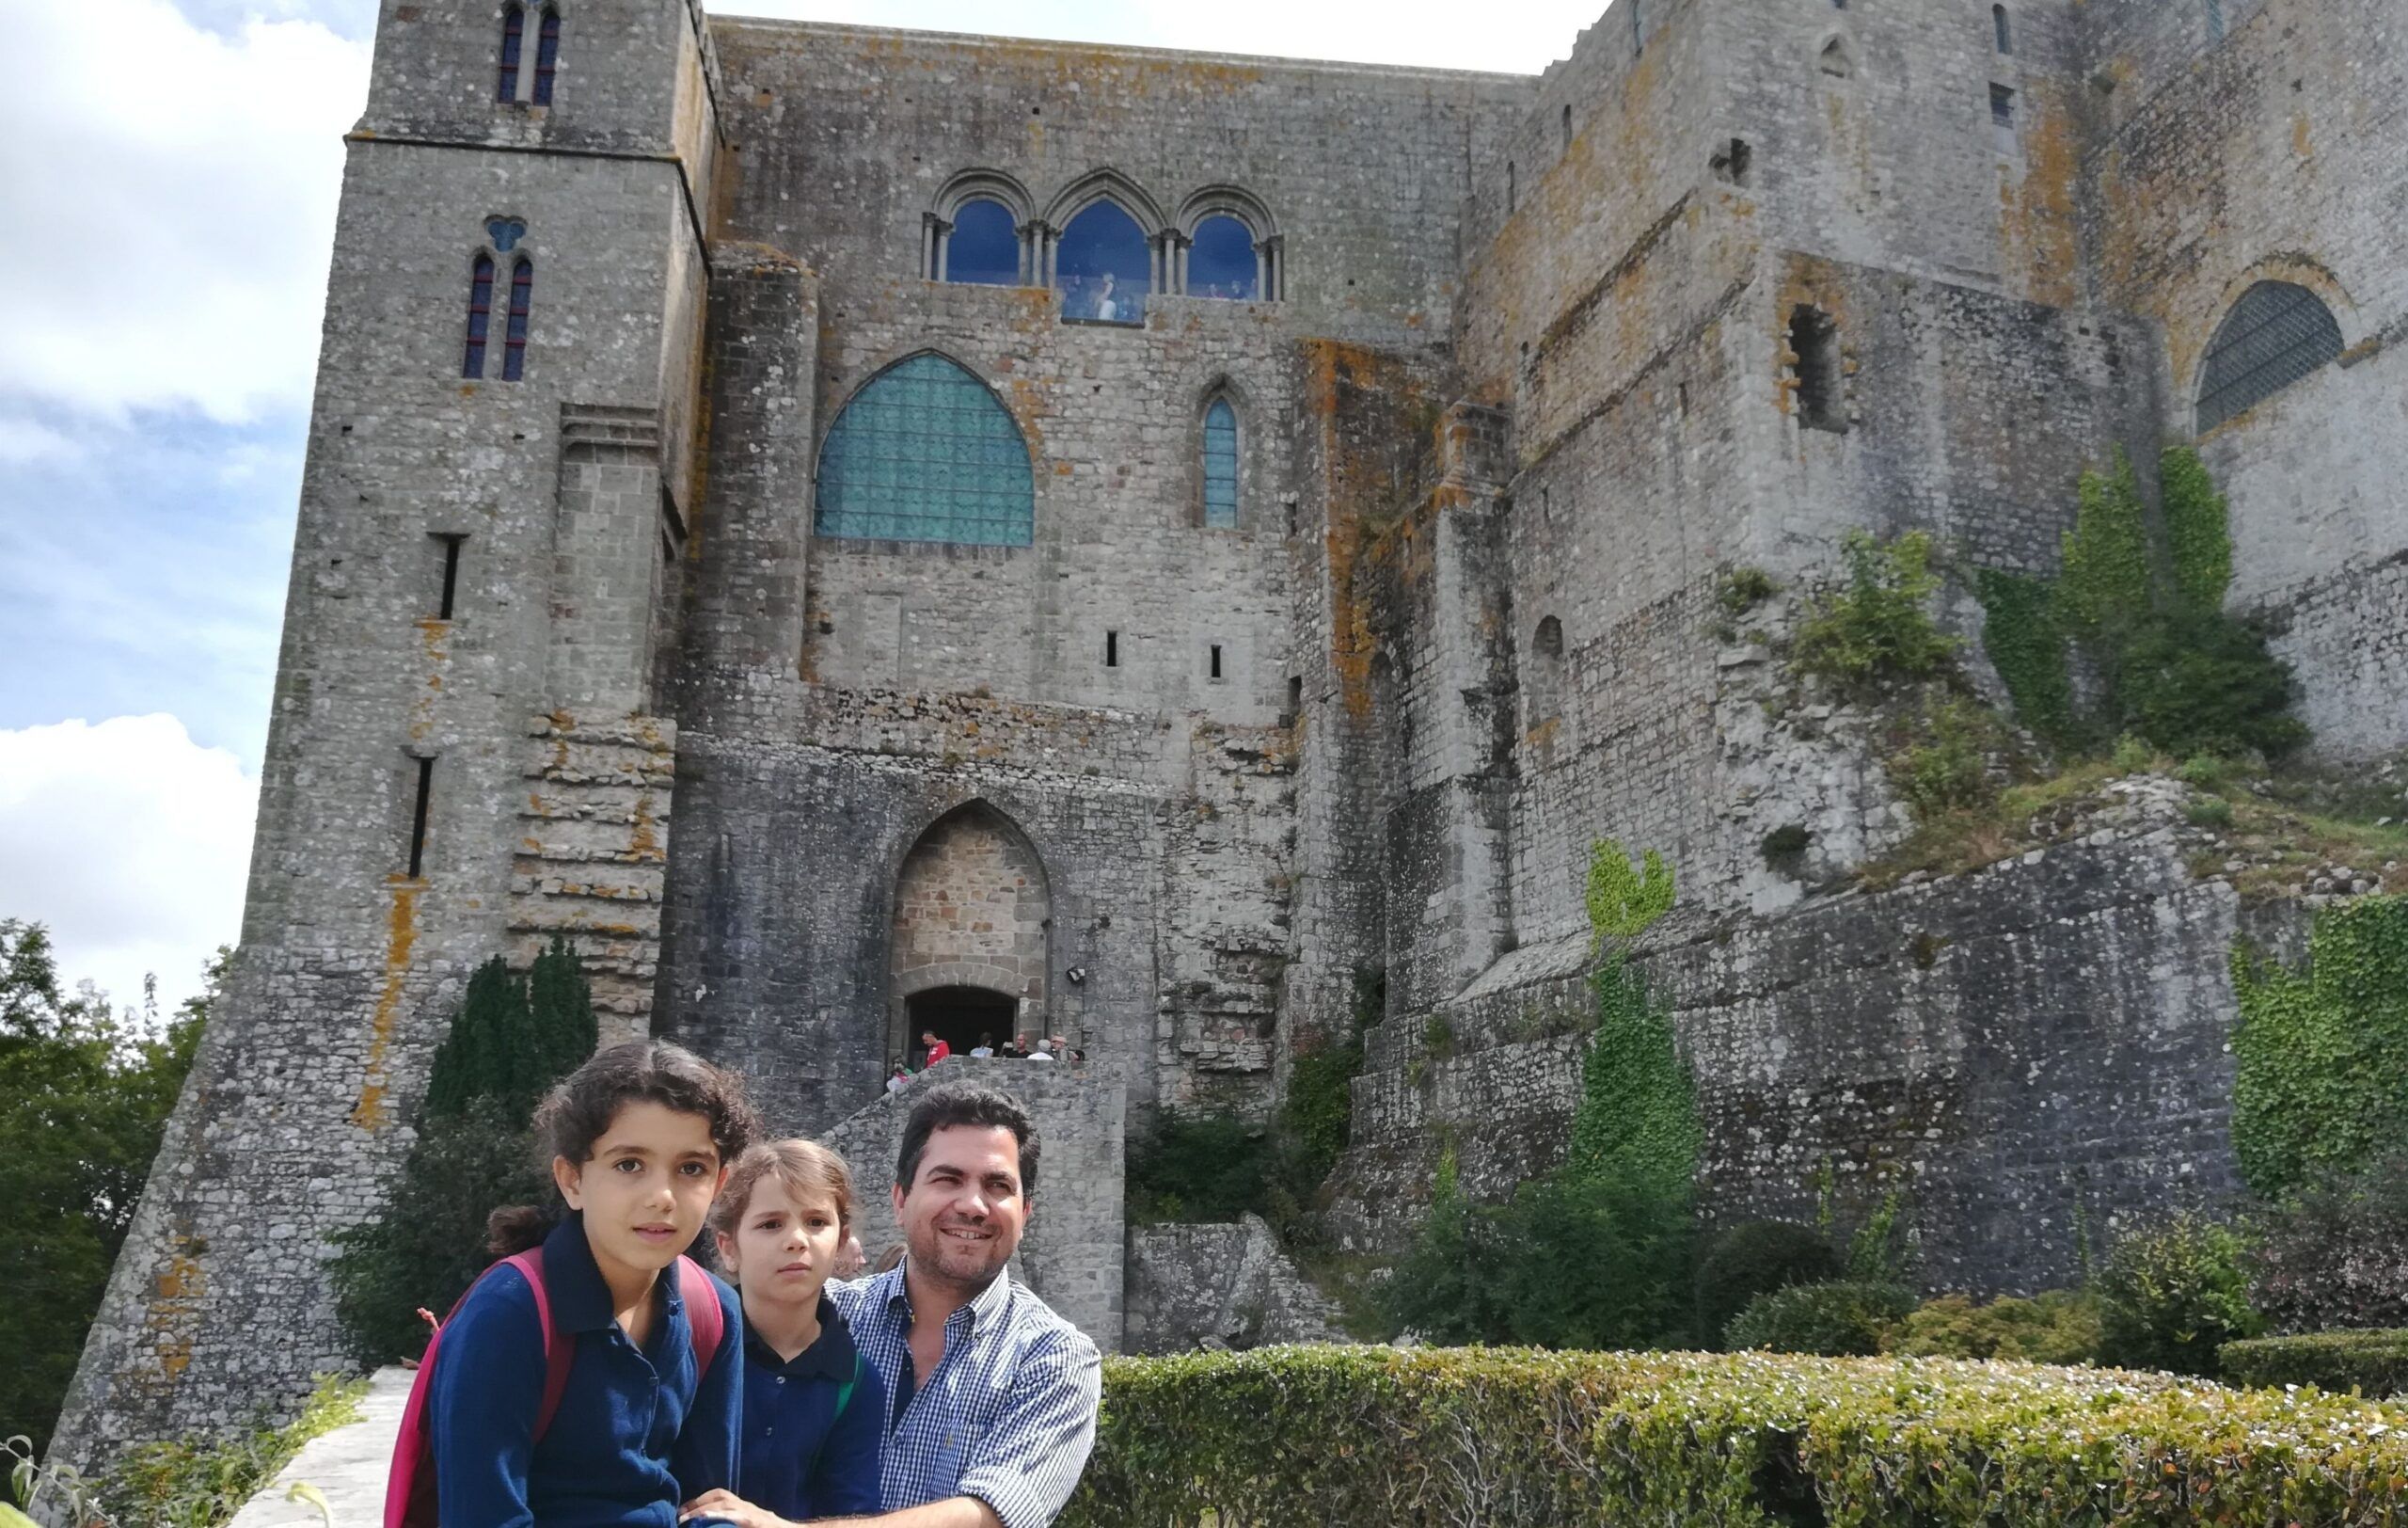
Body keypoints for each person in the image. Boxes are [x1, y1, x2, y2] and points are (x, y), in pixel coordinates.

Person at [688, 1084, 1099, 1528]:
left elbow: (994, 1514)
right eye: (949, 1179)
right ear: (900, 1200)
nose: (974, 1205)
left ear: (1026, 1212)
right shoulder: (822, 1316)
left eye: (998, 1185)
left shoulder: (1055, 1357)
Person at [425, 1040, 758, 1527]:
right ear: (573, 1180)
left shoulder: (713, 1310)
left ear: (720, 1183)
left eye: (691, 1169)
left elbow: (709, 1504)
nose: (662, 1196)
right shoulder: (508, 1315)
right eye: (629, 1165)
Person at [696, 1140, 885, 1527]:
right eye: (771, 1224)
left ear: (840, 1241)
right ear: (729, 1248)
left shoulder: (854, 1382)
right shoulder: (696, 1347)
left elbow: (852, 1511)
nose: (797, 1239)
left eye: (816, 1222)